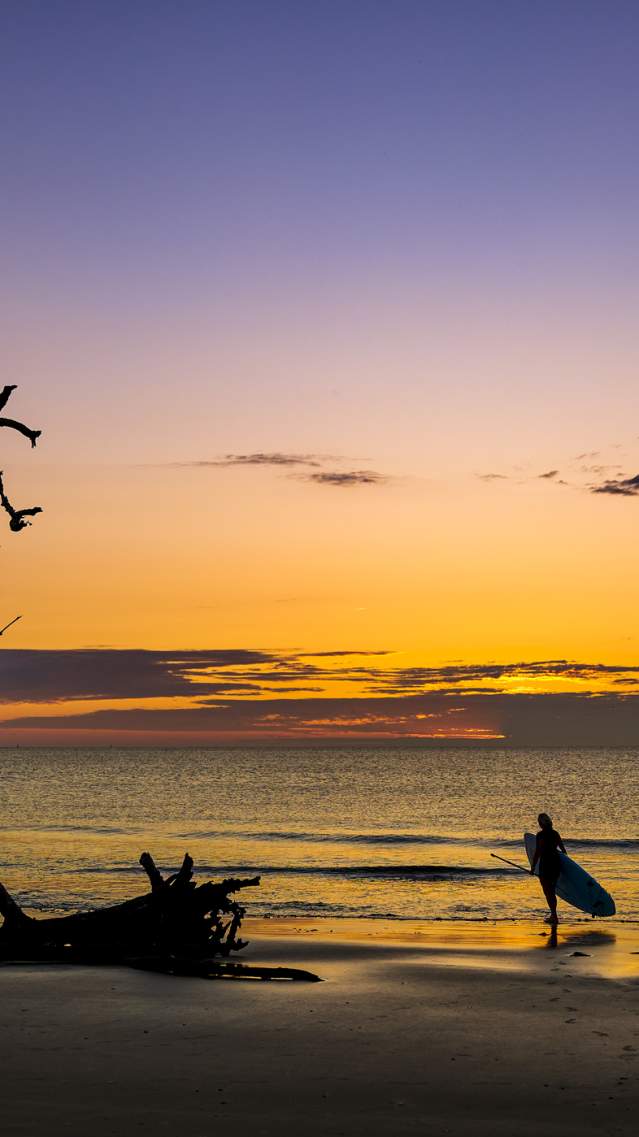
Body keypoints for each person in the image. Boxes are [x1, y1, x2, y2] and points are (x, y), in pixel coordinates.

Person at [531, 812, 566, 924]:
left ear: (541, 823)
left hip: (546, 864)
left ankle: (554, 916)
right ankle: (554, 915)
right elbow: (563, 851)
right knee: (552, 890)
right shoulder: (555, 833)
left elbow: (538, 852)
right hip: (556, 863)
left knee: (548, 891)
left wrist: (533, 868)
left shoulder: (540, 835)